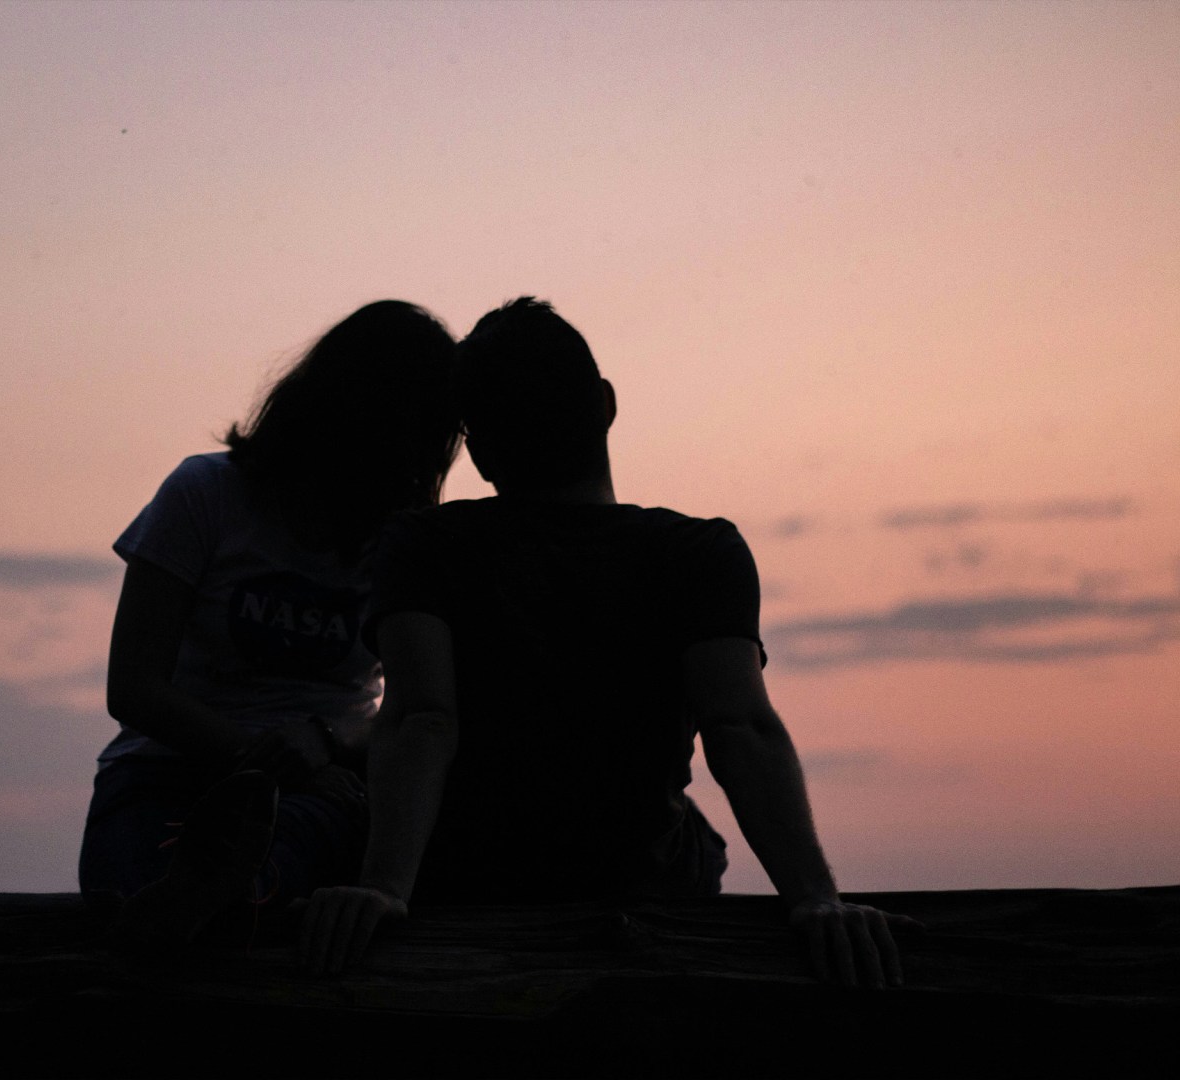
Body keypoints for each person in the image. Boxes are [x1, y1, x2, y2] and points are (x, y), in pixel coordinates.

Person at [300, 298, 907, 987]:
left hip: (470, 883)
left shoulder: (423, 544)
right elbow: (739, 727)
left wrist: (384, 887)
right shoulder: (701, 552)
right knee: (696, 841)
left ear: (483, 449)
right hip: (637, 886)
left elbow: (420, 719)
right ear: (606, 404)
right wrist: (815, 899)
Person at [79, 300, 462, 946]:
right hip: (163, 774)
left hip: (319, 792)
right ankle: (211, 898)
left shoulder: (404, 543)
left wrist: (327, 742)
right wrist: (254, 757)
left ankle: (226, 898)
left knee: (289, 849)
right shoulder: (204, 494)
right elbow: (134, 687)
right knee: (145, 873)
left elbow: (416, 711)